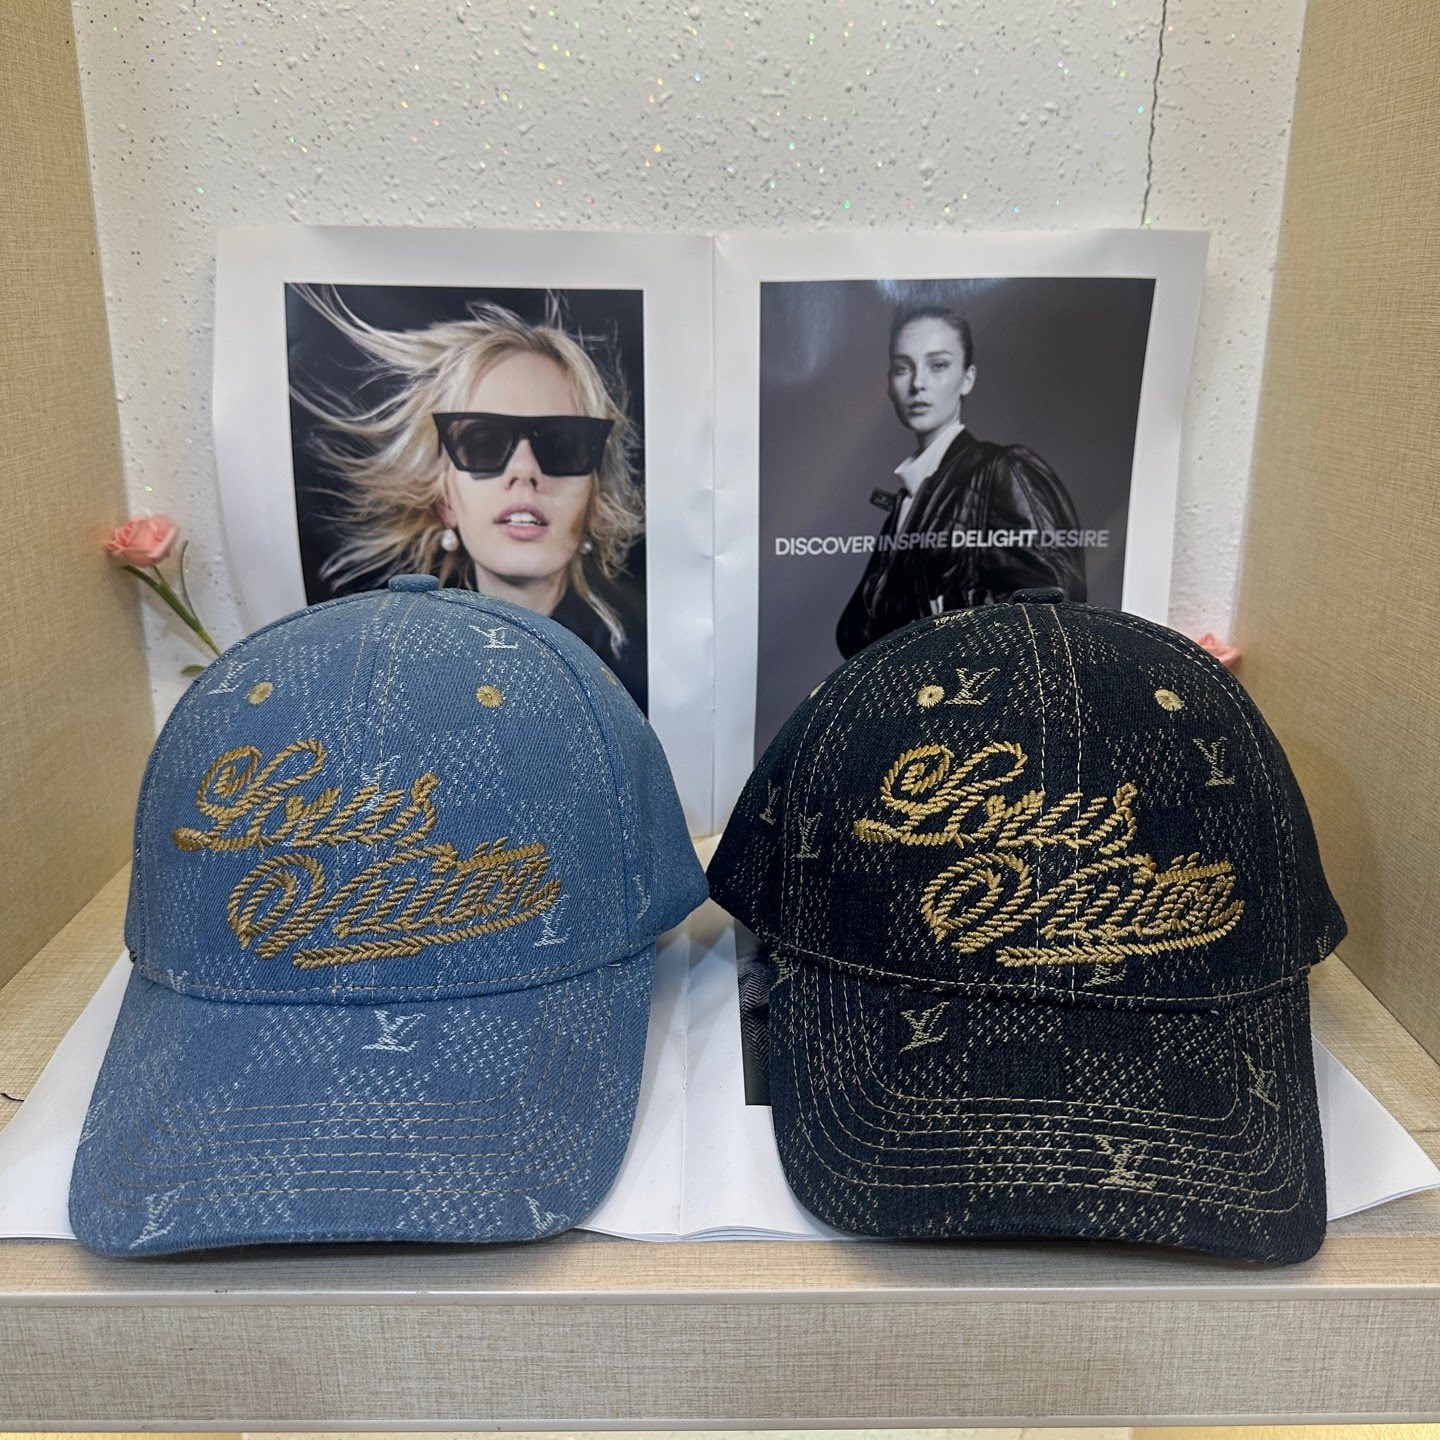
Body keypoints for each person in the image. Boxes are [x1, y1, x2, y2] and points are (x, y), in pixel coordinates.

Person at [291, 286, 648, 708]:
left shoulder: (642, 674)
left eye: (562, 444)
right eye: (483, 442)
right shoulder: (382, 678)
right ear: (444, 498)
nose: (524, 470)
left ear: (594, 495)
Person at [835, 304, 1086, 659]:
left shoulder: (1001, 470)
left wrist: (945, 618)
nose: (917, 384)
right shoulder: (908, 502)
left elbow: (1056, 611)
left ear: (967, 378)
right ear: (890, 383)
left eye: (938, 365)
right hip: (916, 693)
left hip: (967, 693)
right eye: (903, 368)